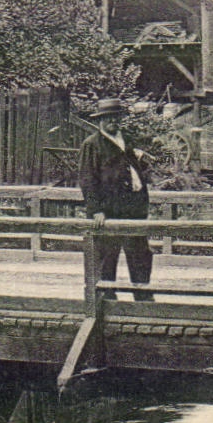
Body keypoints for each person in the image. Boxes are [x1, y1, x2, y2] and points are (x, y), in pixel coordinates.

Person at [79, 98, 153, 301]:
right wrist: (96, 210)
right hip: (109, 211)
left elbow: (133, 169)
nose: (113, 122)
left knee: (140, 255)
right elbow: (88, 179)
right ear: (100, 121)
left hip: (134, 210)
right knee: (106, 257)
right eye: (108, 118)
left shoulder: (125, 140)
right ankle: (107, 299)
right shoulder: (92, 145)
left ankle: (143, 297)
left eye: (116, 118)